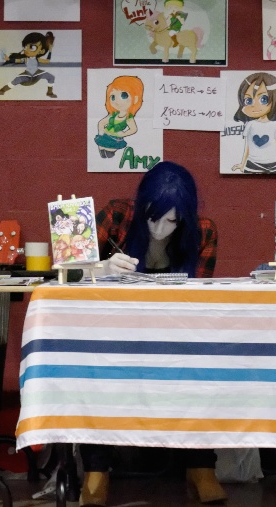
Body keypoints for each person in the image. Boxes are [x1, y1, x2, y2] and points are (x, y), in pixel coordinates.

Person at [80, 162, 225, 506]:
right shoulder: (116, 215)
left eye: (171, 221)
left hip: (175, 333)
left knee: (203, 369)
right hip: (113, 332)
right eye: (153, 217)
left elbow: (199, 300)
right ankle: (96, 471)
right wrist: (100, 268)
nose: (160, 230)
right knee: (95, 373)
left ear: (185, 217)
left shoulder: (203, 231)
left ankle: (202, 466)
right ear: (141, 205)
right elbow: (65, 271)